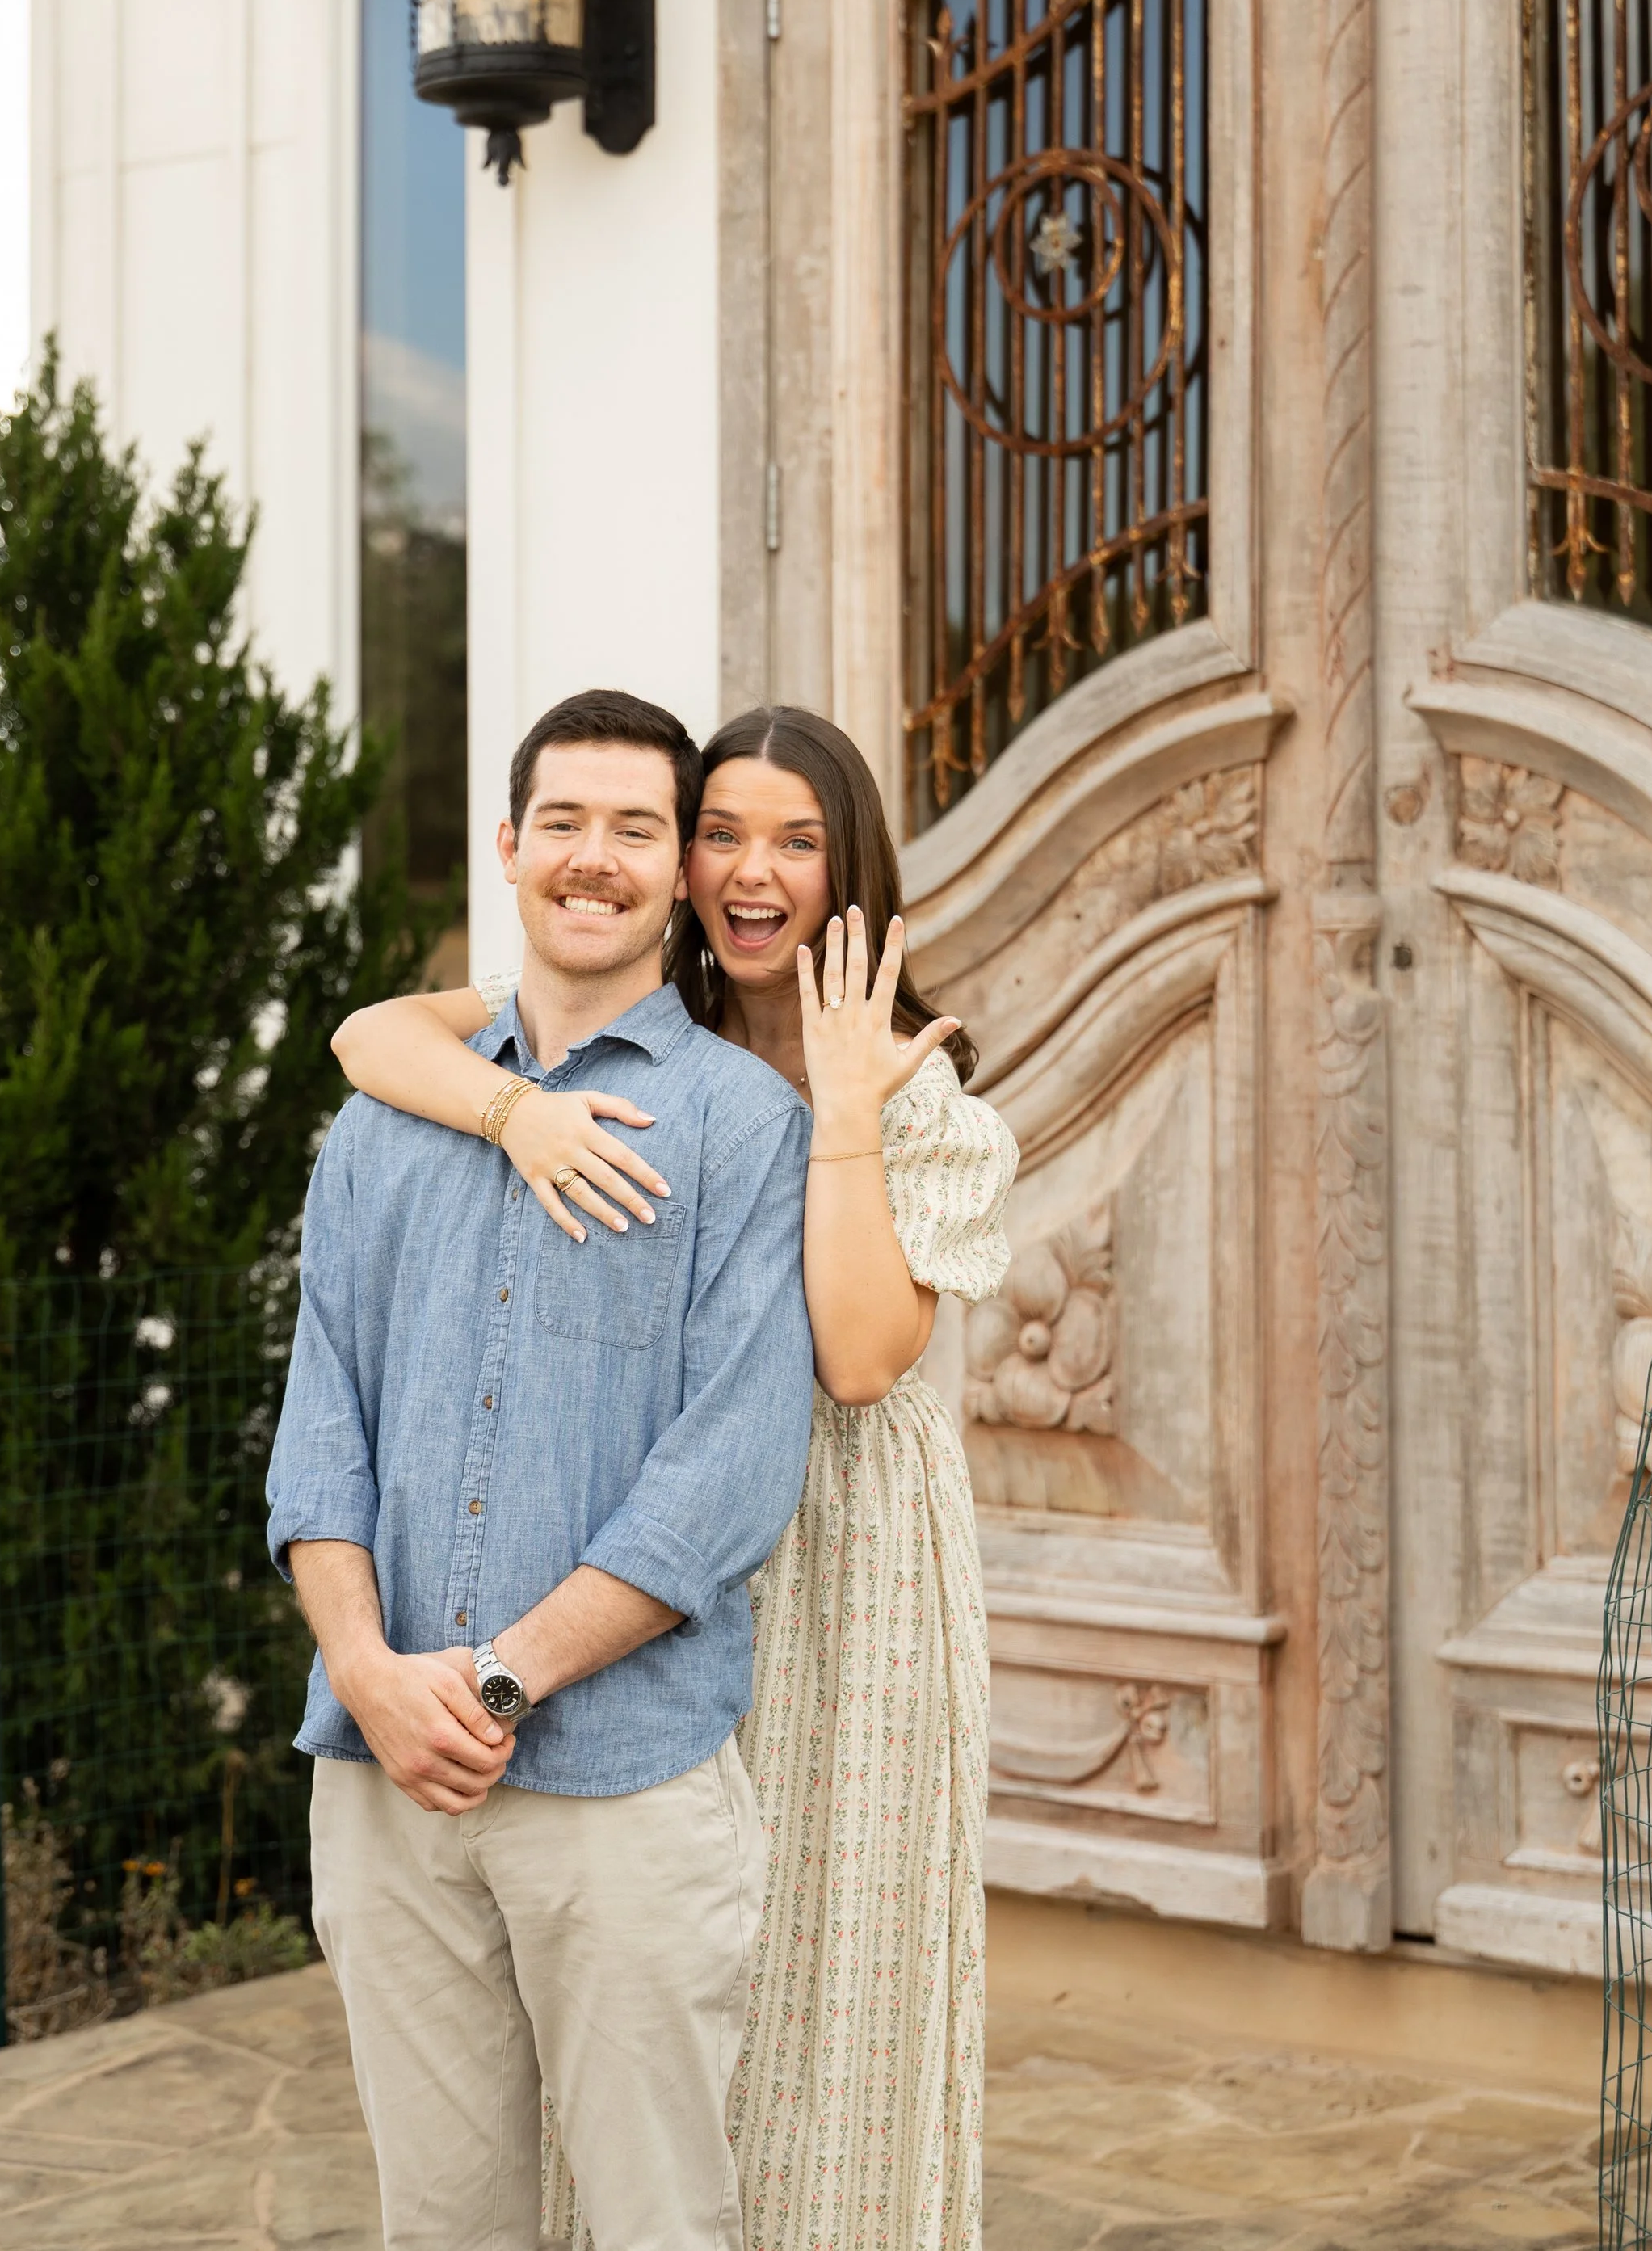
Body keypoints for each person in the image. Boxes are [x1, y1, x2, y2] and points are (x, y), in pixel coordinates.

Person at [334, 703, 1018, 2251]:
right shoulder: (630, 1046)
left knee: (825, 1983)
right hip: (640, 1569)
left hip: (845, 1570)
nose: (752, 871)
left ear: (850, 868)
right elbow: (371, 1039)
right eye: (722, 833)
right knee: (649, 1987)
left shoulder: (921, 1096)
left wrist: (844, 1111)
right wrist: (517, 1112)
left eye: (797, 840)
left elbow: (855, 1356)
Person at [267, 687, 818, 2251]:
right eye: (563, 821)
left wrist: (493, 1683)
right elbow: (321, 1427)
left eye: (635, 828)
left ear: (677, 875)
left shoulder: (738, 1124)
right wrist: (368, 1669)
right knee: (439, 2221)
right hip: (381, 1771)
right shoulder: (381, 1123)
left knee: (658, 2219)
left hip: (623, 1775)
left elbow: (727, 1468)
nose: (596, 857)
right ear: (508, 846)